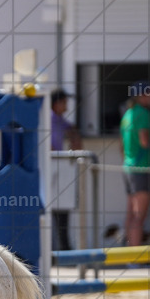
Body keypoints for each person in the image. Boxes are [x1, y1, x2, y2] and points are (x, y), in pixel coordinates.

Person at [120, 81, 150, 247]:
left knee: (131, 214)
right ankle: (135, 257)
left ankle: (128, 255)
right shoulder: (143, 113)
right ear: (141, 95)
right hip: (142, 168)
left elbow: (121, 146)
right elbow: (145, 142)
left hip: (128, 167)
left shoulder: (127, 114)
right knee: (139, 216)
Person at [50, 88, 82, 252]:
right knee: (50, 211)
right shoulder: (47, 118)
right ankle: (56, 250)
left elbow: (72, 130)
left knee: (62, 209)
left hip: (59, 167)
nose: (67, 105)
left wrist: (74, 138)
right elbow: (45, 143)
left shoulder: (60, 120)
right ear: (57, 103)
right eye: (64, 102)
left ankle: (64, 249)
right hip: (50, 168)